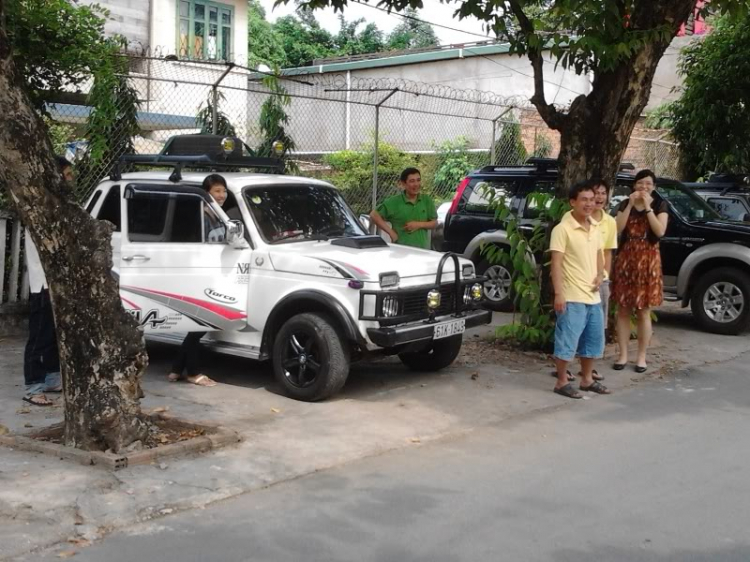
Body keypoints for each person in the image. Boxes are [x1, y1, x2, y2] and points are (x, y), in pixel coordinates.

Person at [550, 179, 611, 399]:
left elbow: (599, 255)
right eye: (583, 199)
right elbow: (556, 263)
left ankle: (587, 379)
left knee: (593, 340)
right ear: (572, 202)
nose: (589, 204)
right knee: (568, 340)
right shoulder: (562, 229)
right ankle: (561, 381)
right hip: (571, 295)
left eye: (592, 200)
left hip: (593, 295)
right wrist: (559, 293)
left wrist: (600, 275)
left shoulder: (595, 228)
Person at [22, 156, 74, 406]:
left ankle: (52, 377)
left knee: (54, 333)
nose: (70, 179)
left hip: (57, 280)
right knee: (40, 335)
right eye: (66, 174)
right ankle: (33, 385)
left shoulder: (56, 204)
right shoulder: (39, 206)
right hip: (43, 281)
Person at [167, 174, 228, 387]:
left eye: (223, 191)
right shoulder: (199, 216)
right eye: (216, 191)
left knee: (198, 324)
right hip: (198, 274)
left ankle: (176, 369)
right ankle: (193, 372)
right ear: (206, 193)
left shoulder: (219, 215)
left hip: (212, 273)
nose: (221, 195)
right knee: (199, 324)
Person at [611, 169, 668, 373]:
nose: (644, 187)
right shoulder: (625, 204)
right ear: (634, 185)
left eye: (648, 184)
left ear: (653, 187)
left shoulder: (660, 205)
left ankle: (641, 357)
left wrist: (647, 208)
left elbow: (660, 231)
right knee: (623, 309)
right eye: (640, 183)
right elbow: (617, 229)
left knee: (644, 310)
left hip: (648, 259)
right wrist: (629, 204)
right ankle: (623, 354)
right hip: (627, 258)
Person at [369, 167, 437, 249]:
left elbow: (434, 223)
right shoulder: (394, 202)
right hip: (400, 251)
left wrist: (418, 224)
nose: (416, 184)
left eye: (418, 180)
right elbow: (374, 215)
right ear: (403, 184)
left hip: (422, 251)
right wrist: (391, 233)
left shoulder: (426, 200)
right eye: (412, 181)